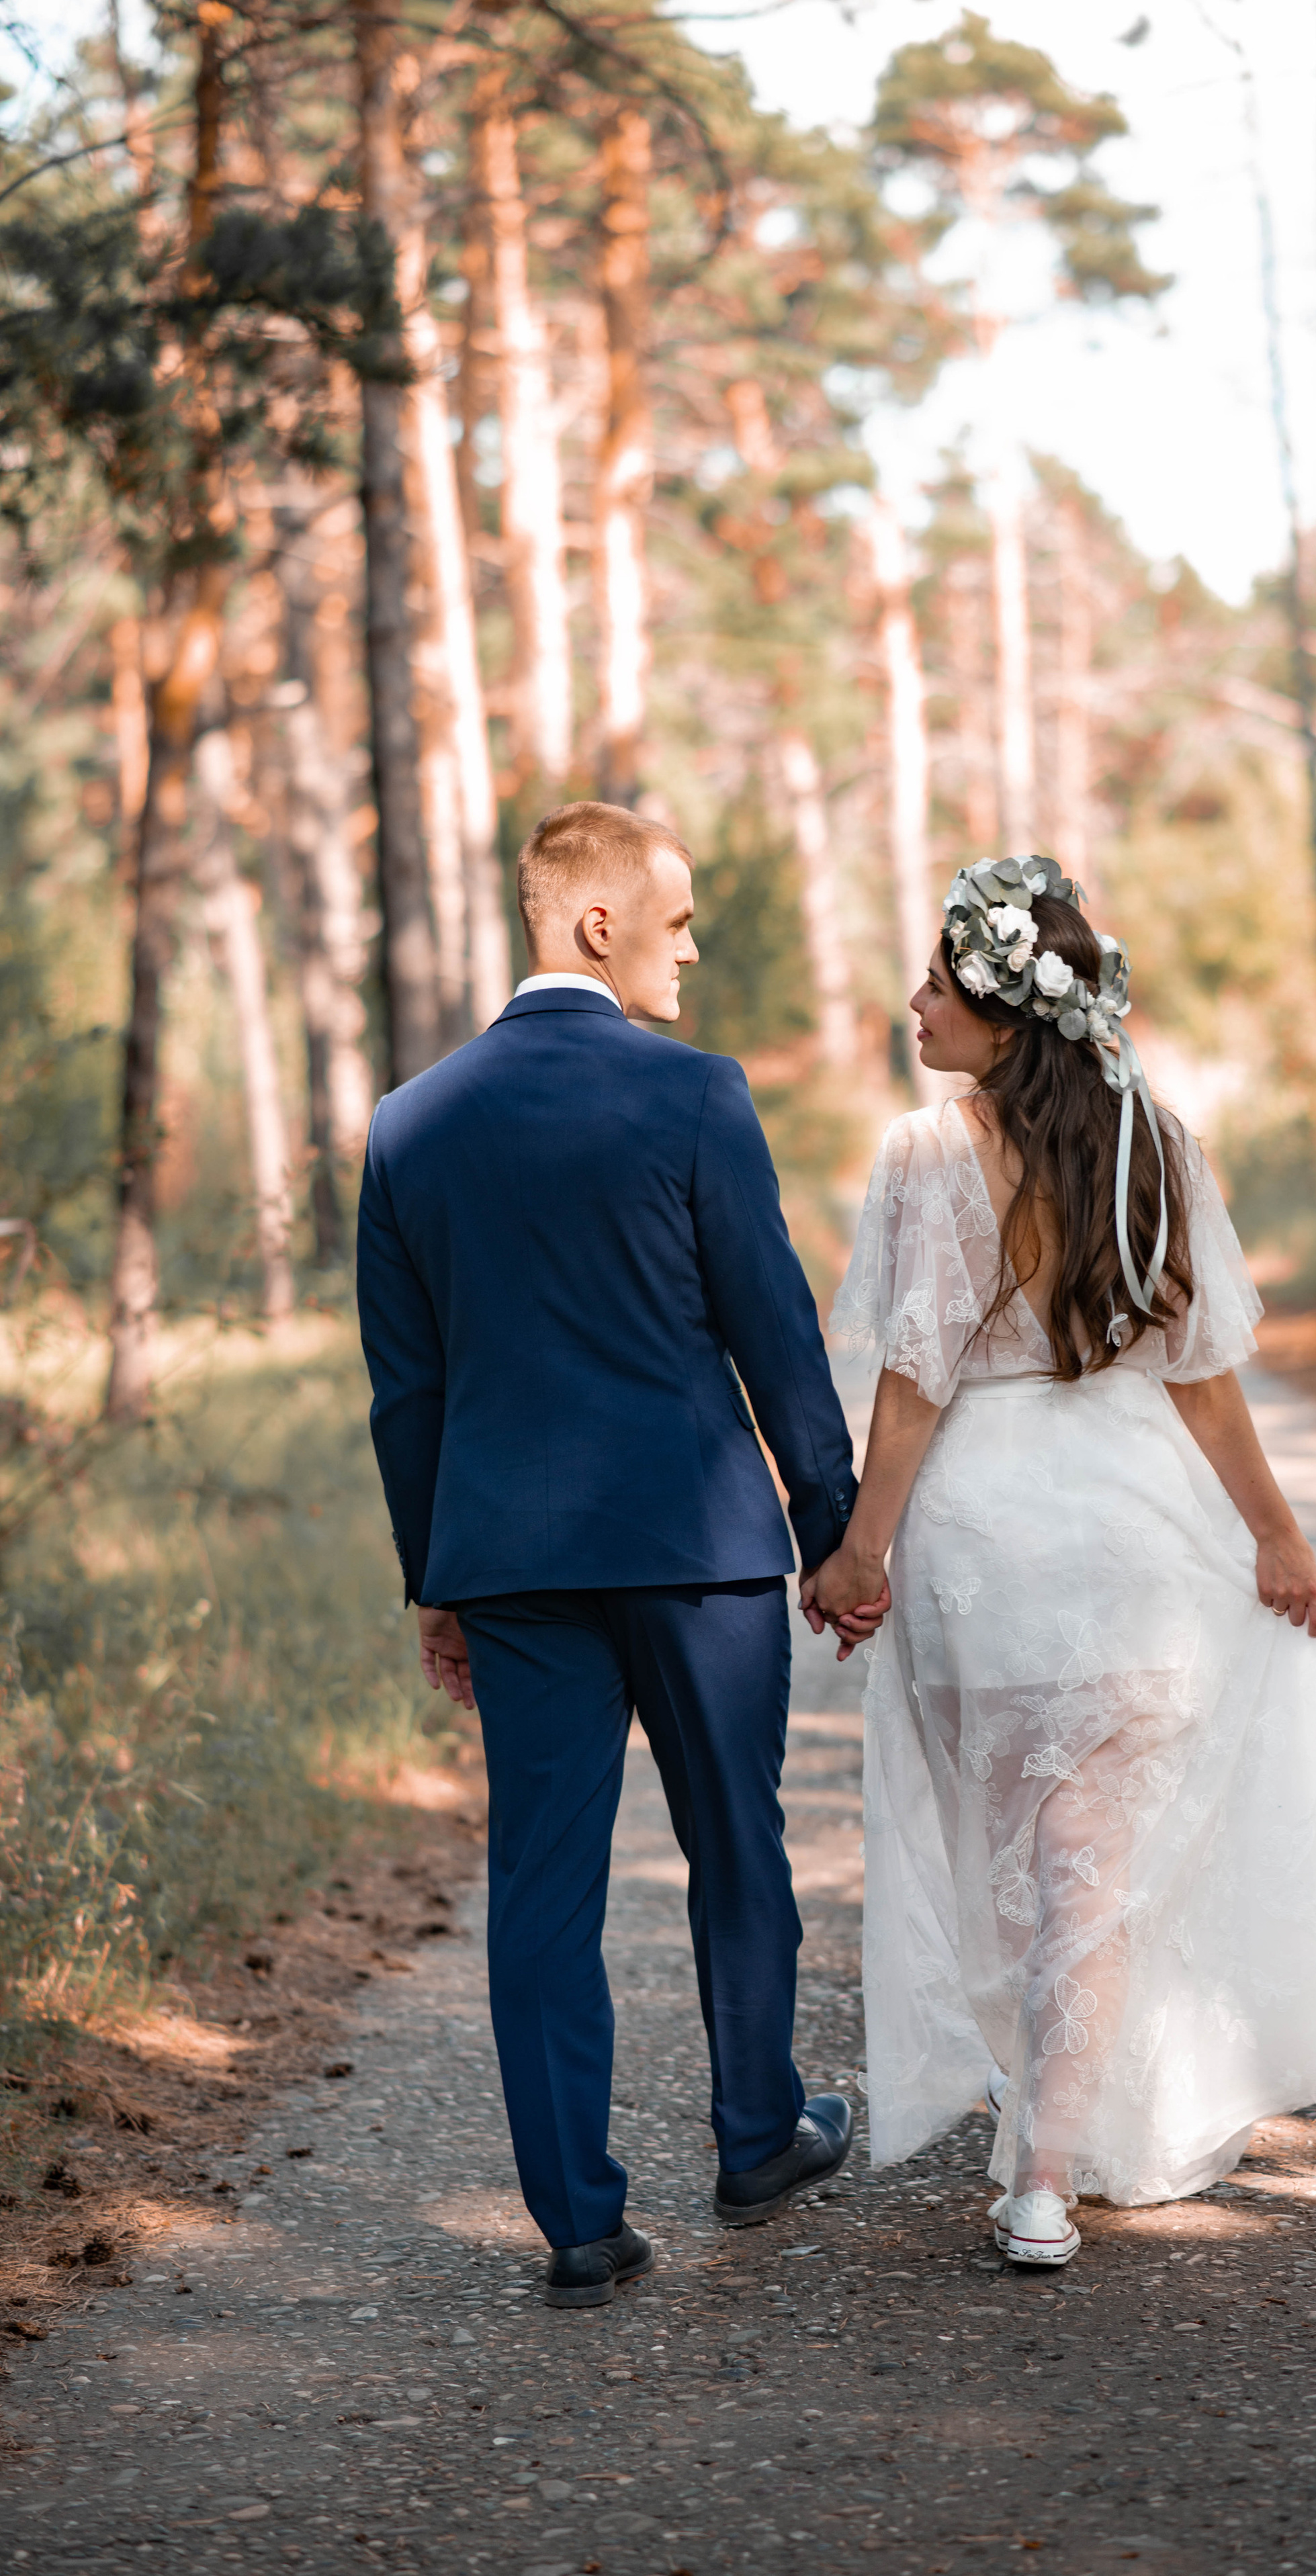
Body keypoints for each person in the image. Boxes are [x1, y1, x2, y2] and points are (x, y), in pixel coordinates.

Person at [805, 855, 1316, 2269]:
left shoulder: (925, 1154)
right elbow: (1202, 1375)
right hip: (1138, 1536)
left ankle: (1043, 2133)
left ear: (1006, 1013)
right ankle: (1047, 2173)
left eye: (936, 986)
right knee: (1089, 1871)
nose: (913, 1006)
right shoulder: (1154, 1140)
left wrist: (859, 1551)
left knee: (1003, 1857)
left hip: (984, 1544)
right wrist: (1272, 1531)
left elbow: (913, 1381)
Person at [357, 800, 883, 2309]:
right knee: (736, 1842)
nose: (692, 947)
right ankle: (757, 2135)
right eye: (680, 917)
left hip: (510, 1564)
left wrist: (436, 1577)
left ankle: (578, 2223)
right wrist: (833, 1531)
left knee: (540, 1882)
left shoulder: (409, 1124)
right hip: (693, 1543)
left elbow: (407, 1390)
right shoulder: (695, 1094)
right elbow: (772, 1328)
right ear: (599, 923)